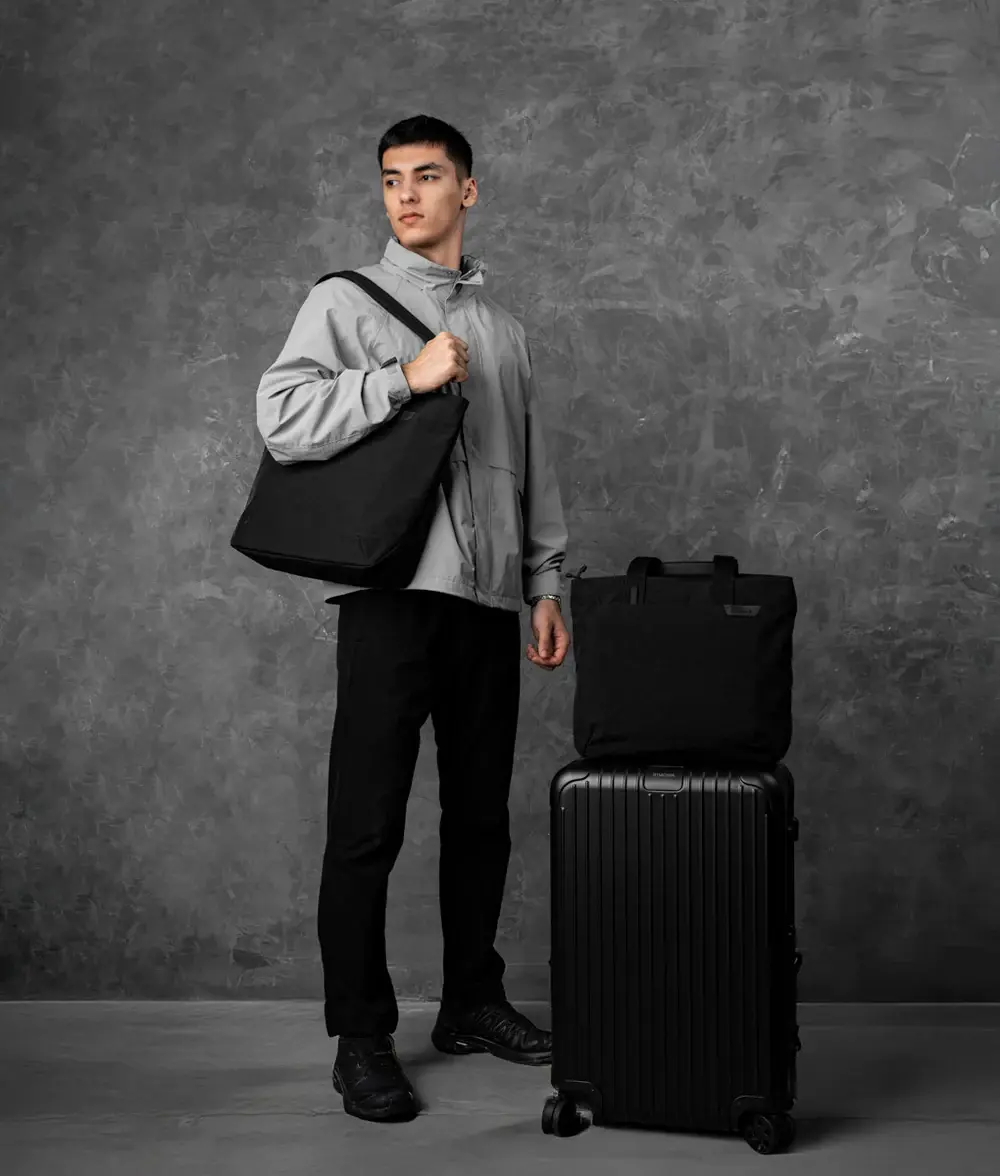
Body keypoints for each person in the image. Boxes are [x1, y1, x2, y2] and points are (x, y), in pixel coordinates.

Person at [255, 115, 572, 1123]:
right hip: (391, 597)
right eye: (392, 179)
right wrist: (402, 378)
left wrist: (546, 584)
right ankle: (360, 1036)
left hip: (487, 605)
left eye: (427, 177)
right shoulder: (345, 301)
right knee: (366, 826)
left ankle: (472, 1002)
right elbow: (281, 417)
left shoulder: (507, 332)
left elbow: (534, 467)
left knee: (481, 819)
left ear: (466, 190)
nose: (406, 195)